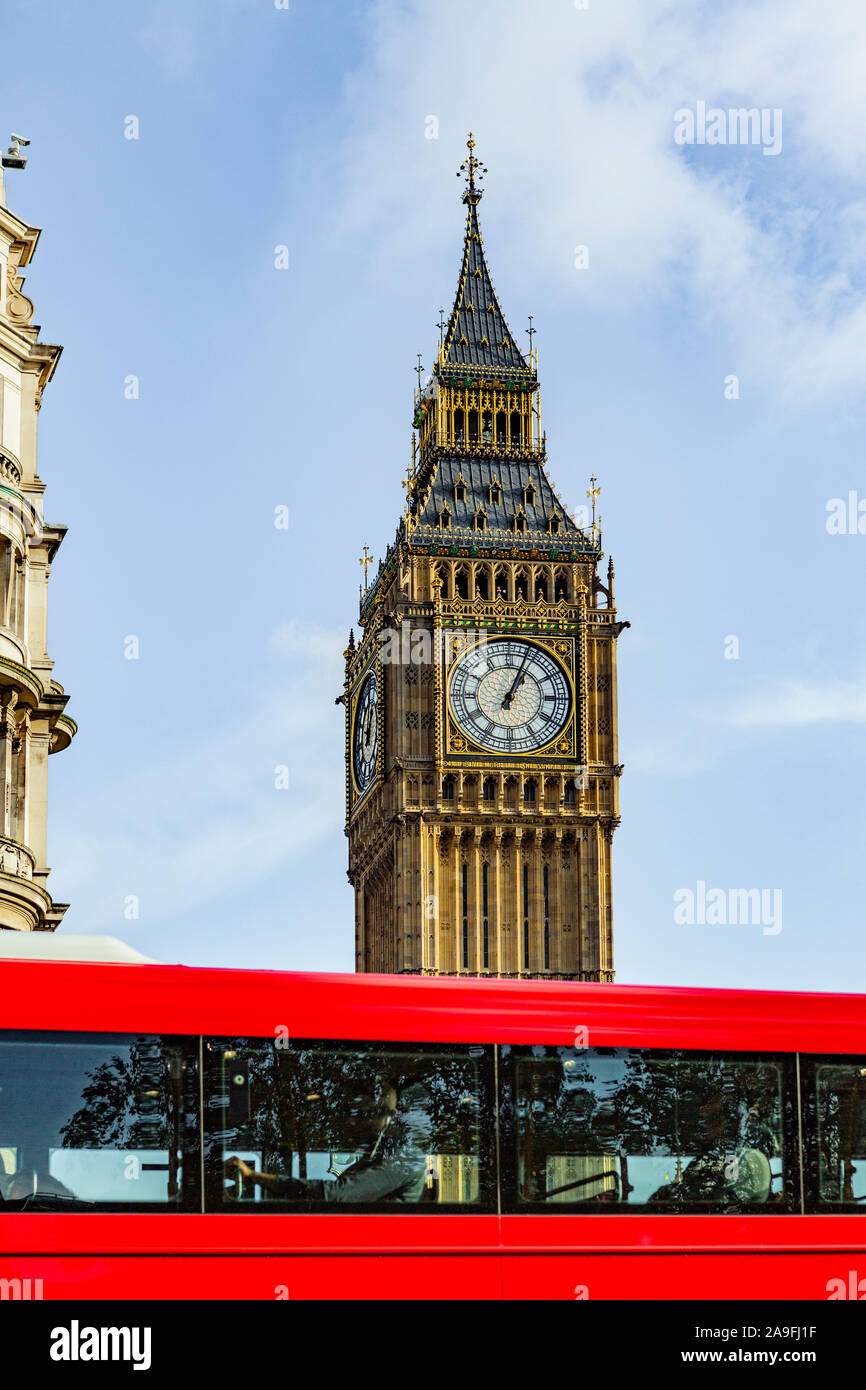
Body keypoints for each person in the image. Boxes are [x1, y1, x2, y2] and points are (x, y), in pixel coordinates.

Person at [225, 1080, 428, 1204]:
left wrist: (254, 1176)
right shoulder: (379, 1156)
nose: (352, 1122)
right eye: (353, 1114)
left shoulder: (403, 1158)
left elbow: (334, 1195)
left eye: (363, 1115)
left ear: (390, 1117)